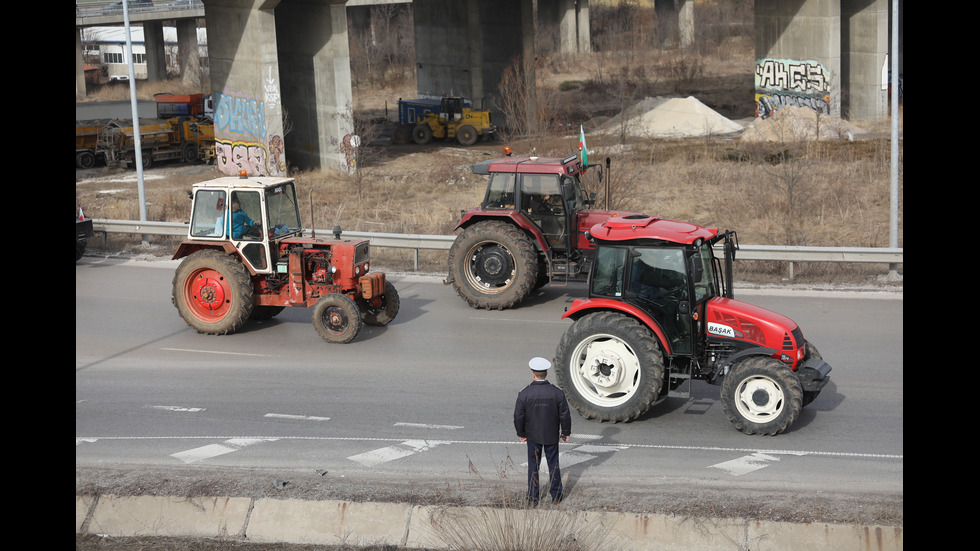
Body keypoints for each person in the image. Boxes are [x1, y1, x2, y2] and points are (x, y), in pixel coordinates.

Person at [513, 356, 571, 504]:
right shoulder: (557, 392)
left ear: (533, 374)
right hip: (551, 435)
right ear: (546, 374)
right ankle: (556, 496)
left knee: (533, 466)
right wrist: (565, 432)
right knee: (554, 465)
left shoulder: (525, 393)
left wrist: (521, 433)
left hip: (532, 436)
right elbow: (564, 414)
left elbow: (518, 416)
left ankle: (533, 497)